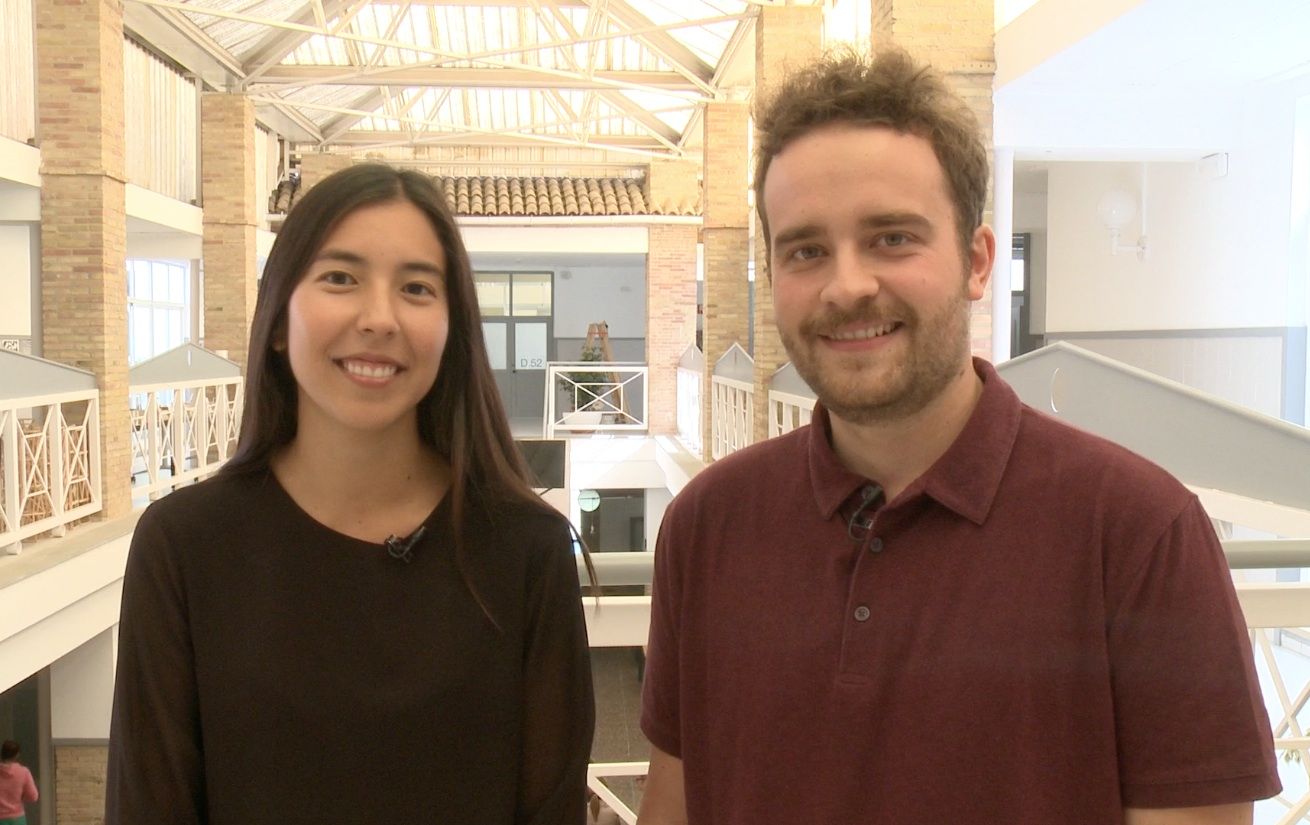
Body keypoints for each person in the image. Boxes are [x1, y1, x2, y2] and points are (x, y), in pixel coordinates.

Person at [637, 49, 1280, 825]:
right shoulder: (707, 525)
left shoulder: (1140, 535)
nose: (846, 285)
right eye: (806, 250)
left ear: (977, 261)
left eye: (892, 238)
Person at [106, 164, 595, 824]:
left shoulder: (525, 550)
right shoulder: (185, 546)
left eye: (417, 288)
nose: (379, 317)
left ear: (452, 332)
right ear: (279, 319)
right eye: (340, 277)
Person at [0, 740, 37, 825]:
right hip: (17, 819)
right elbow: (33, 797)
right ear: (17, 755)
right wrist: (21, 796)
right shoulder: (23, 772)